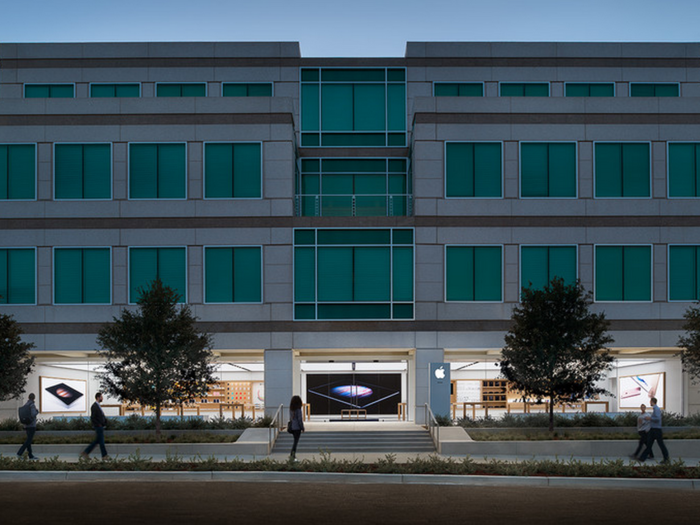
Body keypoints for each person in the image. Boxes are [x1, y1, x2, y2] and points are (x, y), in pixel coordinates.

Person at [638, 397, 670, 464]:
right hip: (653, 429)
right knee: (649, 444)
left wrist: (650, 418)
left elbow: (657, 419)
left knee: (660, 444)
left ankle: (666, 458)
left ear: (652, 402)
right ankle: (642, 458)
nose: (650, 403)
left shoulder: (657, 409)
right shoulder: (655, 409)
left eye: (650, 401)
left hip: (656, 430)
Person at [81, 392, 110, 460]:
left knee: (97, 441)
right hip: (98, 426)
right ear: (98, 397)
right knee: (101, 441)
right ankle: (104, 455)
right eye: (101, 397)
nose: (102, 398)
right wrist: (98, 424)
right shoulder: (94, 406)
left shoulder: (98, 406)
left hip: (100, 426)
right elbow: (93, 417)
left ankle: (86, 452)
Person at [16, 393, 39, 460]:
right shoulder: (32, 405)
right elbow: (33, 414)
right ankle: (19, 453)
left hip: (26, 425)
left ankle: (30, 455)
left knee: (28, 440)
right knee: (29, 440)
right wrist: (37, 411)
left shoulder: (26, 404)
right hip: (32, 425)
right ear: (34, 398)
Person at [288, 395, 305, 461]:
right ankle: (292, 455)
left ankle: (292, 455)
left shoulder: (291, 409)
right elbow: (299, 419)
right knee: (295, 442)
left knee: (295, 441)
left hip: (292, 427)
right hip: (297, 428)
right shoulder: (298, 410)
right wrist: (302, 427)